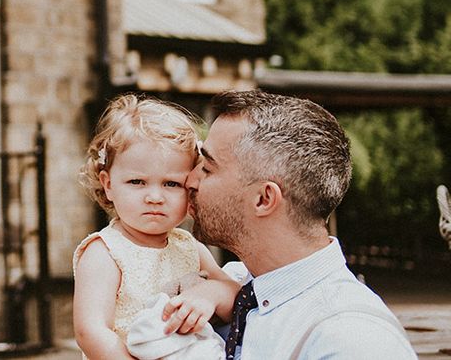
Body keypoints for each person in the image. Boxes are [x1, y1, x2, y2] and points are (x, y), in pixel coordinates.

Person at [164, 89, 417, 359]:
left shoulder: (351, 341)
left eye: (208, 168)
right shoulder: (228, 284)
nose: (189, 180)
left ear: (263, 199)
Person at [73, 94, 239, 360]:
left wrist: (211, 294)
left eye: (171, 184)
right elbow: (91, 331)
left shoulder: (188, 247)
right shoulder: (104, 252)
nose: (154, 197)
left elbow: (236, 299)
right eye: (137, 182)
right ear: (108, 184)